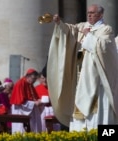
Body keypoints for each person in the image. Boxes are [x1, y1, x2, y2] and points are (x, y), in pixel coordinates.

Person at [47, 4, 118, 132]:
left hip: (96, 80)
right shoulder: (82, 26)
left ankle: (98, 133)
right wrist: (59, 24)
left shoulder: (105, 30)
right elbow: (70, 31)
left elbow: (105, 48)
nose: (89, 15)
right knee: (79, 109)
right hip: (79, 77)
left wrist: (89, 36)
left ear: (101, 15)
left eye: (93, 13)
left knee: (96, 113)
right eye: (88, 13)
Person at [9, 68, 42, 134]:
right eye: (33, 79)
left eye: (35, 79)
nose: (34, 81)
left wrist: (38, 100)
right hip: (20, 111)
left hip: (29, 110)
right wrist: (34, 103)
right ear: (28, 76)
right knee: (21, 129)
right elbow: (20, 102)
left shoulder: (30, 84)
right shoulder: (20, 83)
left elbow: (34, 97)